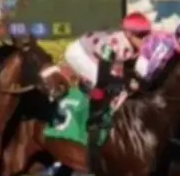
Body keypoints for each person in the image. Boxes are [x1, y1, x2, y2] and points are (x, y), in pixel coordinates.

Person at [62, 12, 153, 151]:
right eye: (140, 35)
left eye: (147, 34)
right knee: (102, 85)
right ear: (128, 34)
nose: (145, 39)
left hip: (96, 54)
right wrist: (126, 83)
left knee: (123, 86)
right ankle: (94, 122)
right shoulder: (113, 45)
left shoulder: (133, 45)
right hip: (79, 52)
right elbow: (103, 77)